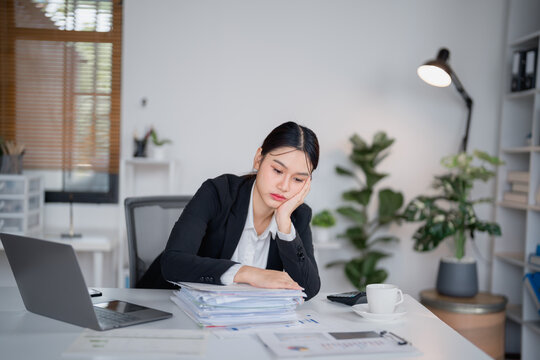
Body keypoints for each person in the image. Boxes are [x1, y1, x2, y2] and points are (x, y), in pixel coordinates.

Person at [138, 121, 321, 300]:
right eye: (277, 170)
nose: (284, 186)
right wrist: (249, 273)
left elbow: (309, 288)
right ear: (259, 159)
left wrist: (283, 224)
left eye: (298, 179)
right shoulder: (217, 192)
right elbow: (173, 263)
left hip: (232, 319)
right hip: (164, 305)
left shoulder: (297, 216)